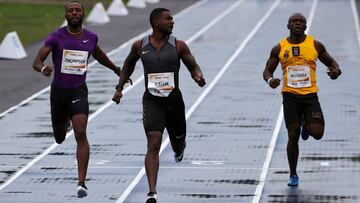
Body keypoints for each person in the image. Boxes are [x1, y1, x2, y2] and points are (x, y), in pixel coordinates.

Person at [32, 1, 126, 198]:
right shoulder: (56, 37)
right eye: (70, 10)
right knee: (59, 137)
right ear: (66, 15)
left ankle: (81, 183)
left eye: (77, 10)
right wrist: (43, 68)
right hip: (59, 92)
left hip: (78, 91)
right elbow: (37, 60)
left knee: (81, 131)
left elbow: (99, 55)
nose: (74, 12)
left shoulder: (91, 37)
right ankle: (64, 120)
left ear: (83, 13)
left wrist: (117, 70)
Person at [112, 8, 206, 203]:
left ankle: (179, 149)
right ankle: (152, 192)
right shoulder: (140, 45)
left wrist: (197, 75)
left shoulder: (179, 45)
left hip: (174, 101)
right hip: (152, 101)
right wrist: (119, 87)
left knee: (178, 142)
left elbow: (193, 65)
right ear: (156, 23)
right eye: (168, 19)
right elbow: (129, 64)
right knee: (153, 144)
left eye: (172, 18)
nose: (172, 22)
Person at [263, 13, 341, 187]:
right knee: (293, 134)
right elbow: (267, 70)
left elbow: (332, 63)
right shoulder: (279, 48)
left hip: (310, 96)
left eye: (301, 22)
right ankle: (293, 174)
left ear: (305, 26)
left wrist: (336, 72)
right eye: (294, 21)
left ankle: (307, 125)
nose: (298, 23)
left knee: (318, 134)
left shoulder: (314, 45)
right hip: (290, 96)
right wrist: (270, 80)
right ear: (288, 25)